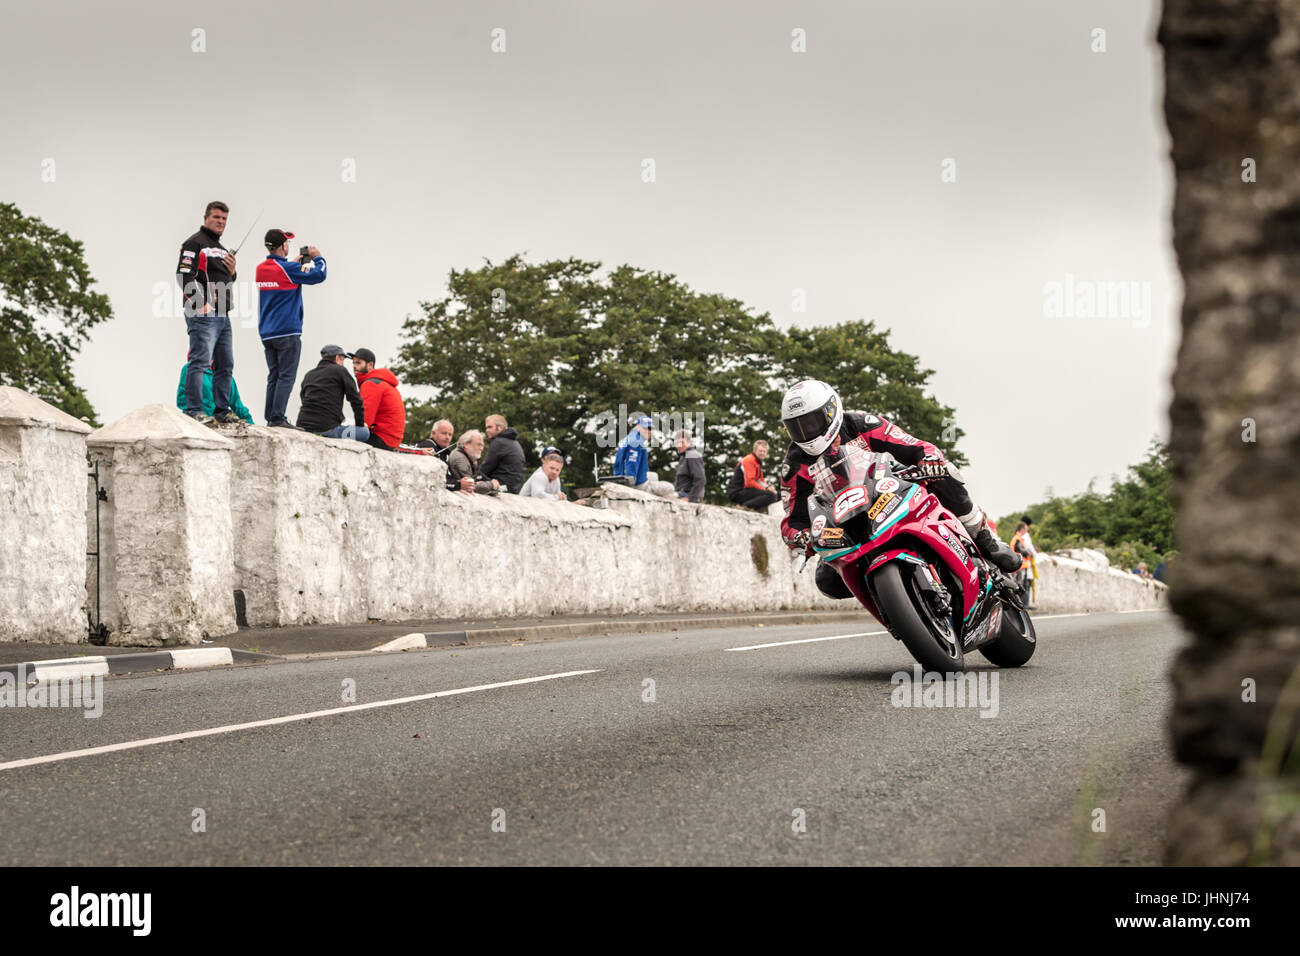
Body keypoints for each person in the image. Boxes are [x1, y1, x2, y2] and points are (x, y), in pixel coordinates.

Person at [778, 379, 1021, 602]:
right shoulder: (794, 465)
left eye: (812, 421)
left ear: (831, 411)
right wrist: (802, 537)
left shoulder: (862, 423)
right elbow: (792, 521)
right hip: (846, 524)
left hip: (890, 492)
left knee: (943, 475)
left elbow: (917, 447)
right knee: (827, 581)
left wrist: (929, 460)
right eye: (796, 426)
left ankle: (985, 541)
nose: (806, 431)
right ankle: (894, 602)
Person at [176, 201, 239, 425]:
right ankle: (194, 410)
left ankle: (222, 411)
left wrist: (232, 272)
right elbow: (183, 274)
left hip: (223, 314)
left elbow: (226, 279)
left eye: (224, 219)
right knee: (200, 361)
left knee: (225, 364)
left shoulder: (222, 249)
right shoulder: (194, 243)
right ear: (206, 219)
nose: (220, 222)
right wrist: (199, 302)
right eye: (216, 217)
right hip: (203, 313)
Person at [256, 229, 326, 427]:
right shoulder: (289, 269)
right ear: (283, 246)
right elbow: (319, 275)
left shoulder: (261, 268)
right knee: (286, 375)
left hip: (267, 331)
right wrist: (318, 258)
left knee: (274, 375)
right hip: (287, 331)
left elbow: (281, 274)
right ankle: (278, 418)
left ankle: (270, 415)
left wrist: (292, 264)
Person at [295, 345, 369, 441]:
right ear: (337, 358)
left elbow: (303, 398)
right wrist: (359, 424)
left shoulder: (309, 374)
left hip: (303, 425)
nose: (343, 364)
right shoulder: (340, 370)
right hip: (327, 429)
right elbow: (356, 400)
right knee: (364, 433)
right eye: (342, 360)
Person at [351, 348, 406, 451]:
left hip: (381, 439)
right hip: (392, 440)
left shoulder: (371, 384)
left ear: (370, 365)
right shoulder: (384, 383)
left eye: (358, 363)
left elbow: (365, 421)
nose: (354, 366)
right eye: (353, 363)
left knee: (336, 432)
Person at [175, 354, 254, 424]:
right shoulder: (190, 369)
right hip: (195, 424)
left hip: (216, 425)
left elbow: (236, 404)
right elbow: (181, 398)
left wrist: (251, 423)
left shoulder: (226, 377)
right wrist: (194, 415)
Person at [727, 439, 780, 511]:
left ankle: (751, 507)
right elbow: (749, 483)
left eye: (764, 451)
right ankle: (744, 507)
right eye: (760, 451)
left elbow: (760, 481)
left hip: (746, 491)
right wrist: (766, 490)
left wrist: (769, 488)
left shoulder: (758, 462)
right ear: (755, 451)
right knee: (771, 496)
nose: (762, 453)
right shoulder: (749, 460)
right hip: (738, 492)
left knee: (777, 494)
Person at [480, 414, 525, 493]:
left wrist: (475, 477)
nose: (486, 430)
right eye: (486, 427)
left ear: (500, 428)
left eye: (490, 427)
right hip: (513, 488)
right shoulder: (515, 443)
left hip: (501, 488)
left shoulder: (499, 442)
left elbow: (486, 468)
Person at [447, 429, 498, 495]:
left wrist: (491, 484)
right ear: (466, 445)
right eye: (479, 445)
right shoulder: (459, 458)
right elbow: (470, 485)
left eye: (482, 445)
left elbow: (479, 478)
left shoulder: (469, 458)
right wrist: (491, 485)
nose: (481, 448)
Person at [613, 414, 653, 488]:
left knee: (653, 476)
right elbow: (631, 464)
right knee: (669, 487)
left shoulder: (630, 437)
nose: (648, 431)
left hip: (619, 478)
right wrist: (630, 486)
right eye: (645, 428)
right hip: (635, 484)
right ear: (638, 427)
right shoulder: (636, 442)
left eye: (650, 428)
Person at [1008, 518, 1038, 609]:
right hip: (1020, 566)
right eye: (1025, 529)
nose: (1026, 531)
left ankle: (1023, 604)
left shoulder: (1018, 538)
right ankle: (1022, 604)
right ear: (1022, 529)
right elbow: (1022, 551)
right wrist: (1028, 553)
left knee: (1023, 585)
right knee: (1021, 585)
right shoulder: (1017, 539)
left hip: (1020, 565)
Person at [673, 431, 706, 502]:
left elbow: (700, 479)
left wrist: (689, 498)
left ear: (689, 442)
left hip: (689, 496)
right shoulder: (683, 457)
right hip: (681, 494)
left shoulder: (692, 455)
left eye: (682, 442)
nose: (679, 445)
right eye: (677, 443)